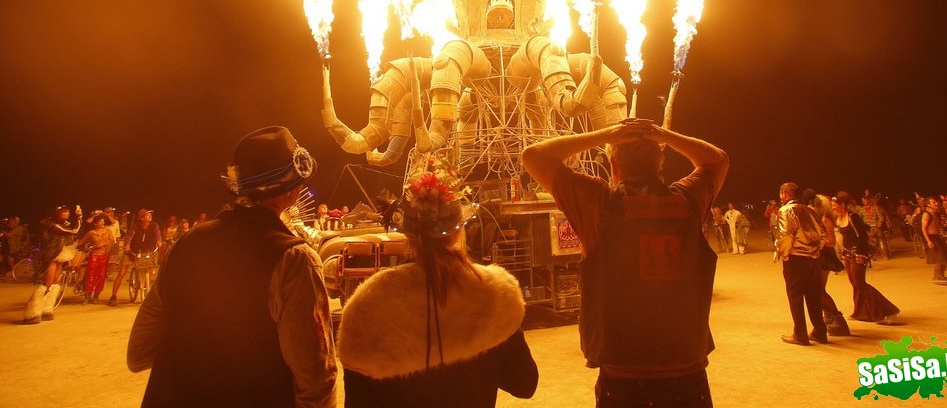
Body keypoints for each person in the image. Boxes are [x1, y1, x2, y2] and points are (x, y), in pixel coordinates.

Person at [521, 118, 728, 408]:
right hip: (687, 370)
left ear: (614, 166)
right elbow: (718, 160)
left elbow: (533, 156)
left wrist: (608, 134)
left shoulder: (598, 202)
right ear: (660, 164)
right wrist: (662, 134)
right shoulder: (689, 200)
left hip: (623, 373)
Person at [127, 125, 337, 407]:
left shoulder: (185, 245)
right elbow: (317, 379)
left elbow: (139, 353)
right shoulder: (295, 259)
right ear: (291, 190)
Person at [338, 151, 538, 407]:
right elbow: (525, 383)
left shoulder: (367, 304)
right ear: (458, 230)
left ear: (407, 234)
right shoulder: (495, 292)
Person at [832, 192, 900, 323]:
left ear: (843, 205)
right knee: (854, 284)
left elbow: (862, 236)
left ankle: (888, 310)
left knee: (860, 283)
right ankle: (860, 312)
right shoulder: (838, 218)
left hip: (857, 254)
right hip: (847, 254)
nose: (833, 207)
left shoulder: (853, 217)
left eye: (835, 205)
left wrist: (861, 254)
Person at [775, 182, 827, 345]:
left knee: (795, 296)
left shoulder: (785, 210)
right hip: (814, 258)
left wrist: (784, 254)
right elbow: (824, 234)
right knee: (813, 296)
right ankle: (820, 331)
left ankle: (800, 334)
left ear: (784, 194)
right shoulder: (810, 210)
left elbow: (785, 236)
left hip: (796, 259)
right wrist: (815, 250)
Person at [23, 204, 82, 324]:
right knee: (47, 283)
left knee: (55, 283)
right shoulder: (53, 225)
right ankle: (32, 312)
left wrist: (78, 217)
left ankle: (46, 310)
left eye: (67, 212)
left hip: (59, 254)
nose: (67, 214)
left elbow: (73, 232)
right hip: (50, 255)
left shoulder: (62, 224)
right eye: (64, 212)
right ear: (58, 214)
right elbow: (74, 230)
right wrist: (79, 217)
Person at [802, 189, 850, 336]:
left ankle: (836, 318)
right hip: (821, 256)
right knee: (817, 290)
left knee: (818, 291)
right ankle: (830, 317)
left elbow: (831, 241)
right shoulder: (818, 219)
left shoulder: (825, 219)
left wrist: (816, 243)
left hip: (825, 257)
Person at [109, 208, 163, 306]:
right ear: (141, 218)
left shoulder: (154, 225)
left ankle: (146, 288)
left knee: (152, 270)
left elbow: (157, 233)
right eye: (147, 214)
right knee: (121, 274)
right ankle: (113, 296)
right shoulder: (135, 226)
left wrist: (159, 241)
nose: (150, 216)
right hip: (132, 252)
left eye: (150, 214)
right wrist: (127, 245)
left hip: (147, 251)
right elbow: (129, 236)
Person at [75, 212, 117, 304]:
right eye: (100, 221)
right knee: (90, 276)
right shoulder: (91, 233)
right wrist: (71, 246)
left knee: (101, 276)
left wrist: (106, 246)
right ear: (95, 224)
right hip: (93, 255)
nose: (102, 223)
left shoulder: (108, 231)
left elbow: (112, 242)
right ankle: (87, 295)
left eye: (103, 221)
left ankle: (96, 296)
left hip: (104, 256)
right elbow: (81, 242)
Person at [921, 196, 947, 284]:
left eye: (936, 202)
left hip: (938, 236)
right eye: (933, 202)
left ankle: (941, 275)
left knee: (945, 257)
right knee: (940, 257)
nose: (936, 203)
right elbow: (924, 228)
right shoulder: (927, 214)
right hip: (932, 237)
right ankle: (936, 277)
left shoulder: (936, 213)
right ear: (928, 204)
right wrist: (928, 240)